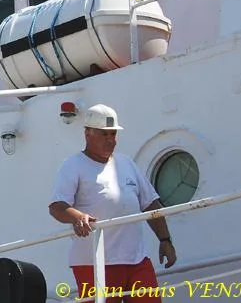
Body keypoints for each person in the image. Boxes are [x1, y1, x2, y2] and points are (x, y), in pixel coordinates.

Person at [49, 104, 177, 303]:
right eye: (104, 134)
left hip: (137, 260)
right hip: (94, 262)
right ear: (87, 134)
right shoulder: (73, 165)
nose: (111, 140)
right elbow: (57, 206)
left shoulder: (126, 163)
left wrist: (165, 240)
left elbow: (150, 203)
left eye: (113, 134)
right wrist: (77, 217)